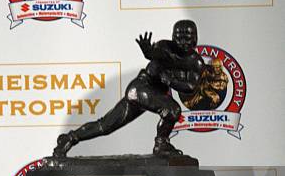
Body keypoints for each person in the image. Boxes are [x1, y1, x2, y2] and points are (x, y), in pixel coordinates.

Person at [53, 20, 205, 157]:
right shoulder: (165, 46)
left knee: (105, 125)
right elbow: (154, 53)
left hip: (151, 95)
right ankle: (161, 143)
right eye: (180, 37)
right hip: (141, 88)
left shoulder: (196, 62)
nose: (184, 42)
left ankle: (70, 138)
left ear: (195, 38)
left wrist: (170, 80)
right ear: (173, 36)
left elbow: (190, 87)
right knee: (172, 110)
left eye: (188, 37)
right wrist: (148, 52)